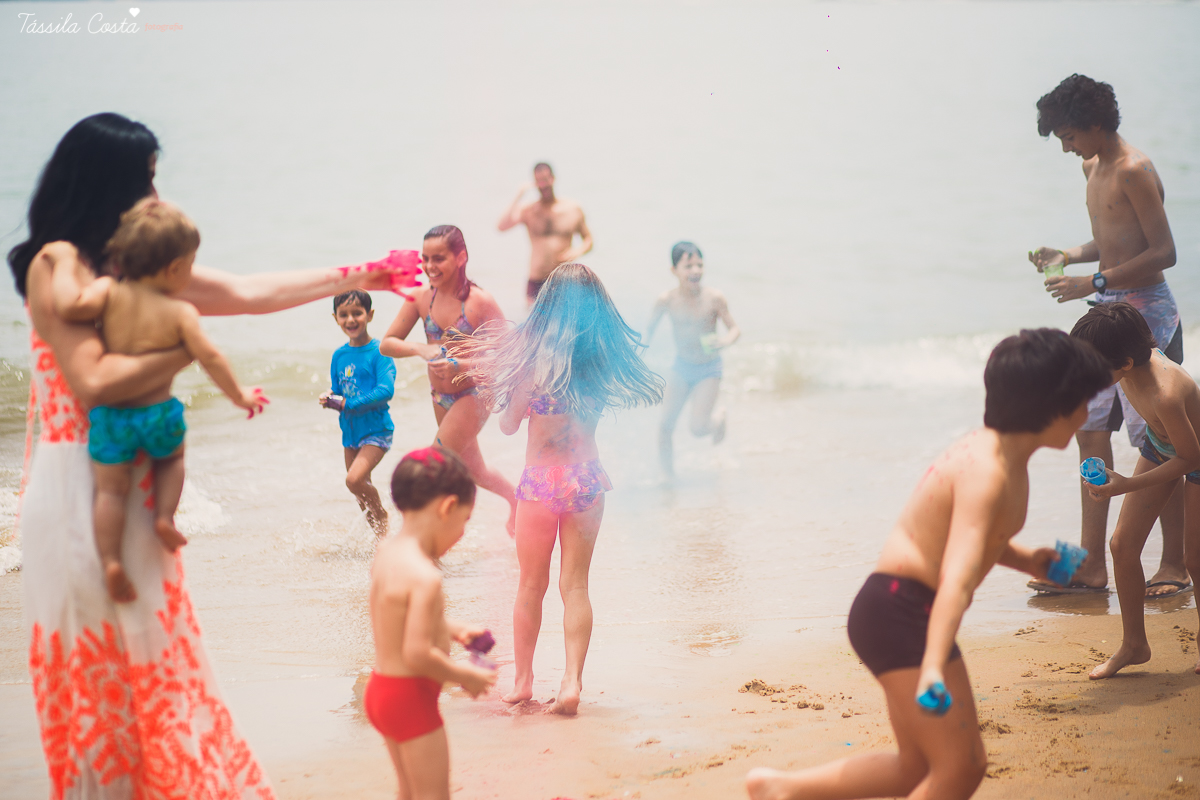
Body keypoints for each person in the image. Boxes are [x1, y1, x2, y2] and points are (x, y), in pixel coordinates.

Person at [9, 112, 411, 798]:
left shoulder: (140, 274)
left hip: (135, 485)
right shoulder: (58, 264)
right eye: (146, 180)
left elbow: (251, 294)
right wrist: (185, 351)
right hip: (79, 487)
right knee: (96, 672)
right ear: (108, 183)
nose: (156, 196)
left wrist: (365, 273)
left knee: (158, 656)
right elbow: (93, 381)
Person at [745, 329, 1112, 800]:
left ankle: (779, 789)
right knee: (961, 767)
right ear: (1050, 405)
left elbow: (970, 541)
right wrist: (934, 666)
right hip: (902, 612)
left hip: (894, 609)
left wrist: (1030, 560)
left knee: (916, 769)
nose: (1087, 412)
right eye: (1082, 401)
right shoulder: (987, 472)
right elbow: (957, 578)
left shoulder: (998, 455)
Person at [455, 263, 662, 714]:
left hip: (540, 486)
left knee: (530, 585)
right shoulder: (599, 362)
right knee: (576, 586)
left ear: (547, 305)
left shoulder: (532, 364)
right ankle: (571, 682)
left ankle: (523, 682)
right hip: (586, 479)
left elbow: (508, 426)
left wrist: (502, 394)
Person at [52, 197, 269, 602]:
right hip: (158, 415)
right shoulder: (181, 312)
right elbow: (210, 357)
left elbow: (69, 304)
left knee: (110, 493)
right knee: (171, 459)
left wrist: (63, 262)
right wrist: (239, 395)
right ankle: (165, 517)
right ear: (174, 269)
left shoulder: (107, 292)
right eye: (191, 264)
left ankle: (111, 562)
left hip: (113, 417)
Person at [1027, 73, 1187, 598]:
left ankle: (1175, 563)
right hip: (1106, 313)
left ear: (1094, 124)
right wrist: (1068, 256)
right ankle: (1093, 563)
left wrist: (1092, 283)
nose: (1067, 148)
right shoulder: (1092, 166)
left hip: (1147, 318)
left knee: (1161, 441)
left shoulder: (1134, 169)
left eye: (1069, 136)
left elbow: (1163, 251)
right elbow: (1112, 238)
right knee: (1090, 430)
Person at [1069, 303, 1200, 678]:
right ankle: (1134, 645)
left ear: (1125, 363)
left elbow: (1190, 458)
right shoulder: (1127, 365)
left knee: (1195, 560)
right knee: (1122, 546)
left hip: (1195, 456)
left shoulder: (1166, 394)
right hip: (1161, 445)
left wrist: (1126, 485)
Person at [367, 446, 497, 800]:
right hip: (411, 699)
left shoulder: (386, 552)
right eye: (465, 521)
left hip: (382, 691)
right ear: (447, 507)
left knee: (409, 793)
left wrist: (452, 629)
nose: (462, 533)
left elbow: (394, 614)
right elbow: (417, 653)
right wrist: (463, 675)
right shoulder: (426, 576)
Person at [380, 225, 518, 536]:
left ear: (460, 257)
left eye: (438, 258)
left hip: (475, 393)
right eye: (425, 259)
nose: (430, 266)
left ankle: (417, 540)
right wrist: (421, 348)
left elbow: (511, 356)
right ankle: (517, 500)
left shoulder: (479, 302)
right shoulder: (420, 298)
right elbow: (387, 344)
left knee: (433, 464)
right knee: (474, 470)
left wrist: (461, 364)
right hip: (439, 396)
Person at [645, 241, 740, 476]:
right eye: (688, 266)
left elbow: (735, 329)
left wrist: (726, 341)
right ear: (674, 270)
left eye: (699, 265)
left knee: (697, 428)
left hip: (708, 369)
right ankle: (669, 479)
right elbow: (647, 331)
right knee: (665, 426)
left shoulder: (714, 298)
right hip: (681, 367)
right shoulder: (667, 300)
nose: (695, 271)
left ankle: (718, 420)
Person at [320, 289, 396, 536]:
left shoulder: (380, 352)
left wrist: (347, 404)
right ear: (336, 318)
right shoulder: (339, 355)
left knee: (354, 481)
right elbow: (338, 390)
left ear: (369, 315)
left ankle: (383, 516)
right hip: (350, 433)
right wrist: (330, 397)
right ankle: (380, 541)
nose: (350, 320)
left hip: (377, 430)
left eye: (357, 313)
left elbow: (385, 390)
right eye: (344, 315)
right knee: (360, 492)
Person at [496, 163, 594, 305]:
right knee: (532, 319)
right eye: (539, 181)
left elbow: (589, 240)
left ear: (553, 178)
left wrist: (577, 251)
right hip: (536, 280)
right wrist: (519, 195)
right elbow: (501, 226)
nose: (543, 185)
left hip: (564, 279)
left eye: (545, 179)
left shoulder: (572, 209)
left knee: (566, 318)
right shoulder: (529, 210)